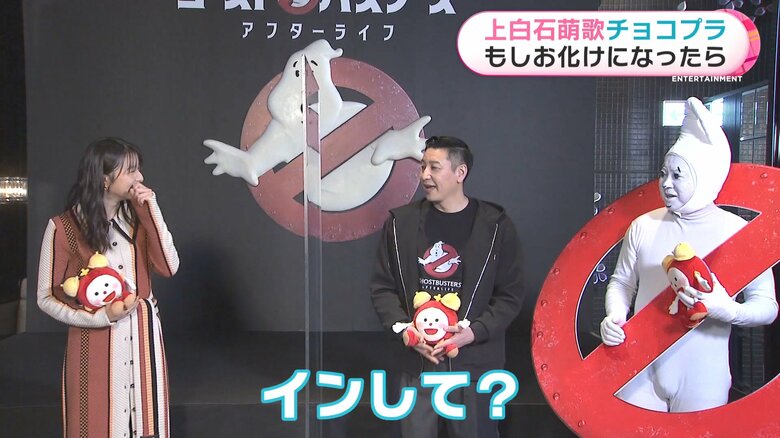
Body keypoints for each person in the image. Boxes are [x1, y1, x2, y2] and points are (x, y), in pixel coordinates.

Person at [600, 97, 778, 413]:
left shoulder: (738, 232)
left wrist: (730, 310)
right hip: (639, 366)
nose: (666, 184)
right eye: (663, 173)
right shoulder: (643, 225)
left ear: (703, 177)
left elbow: (767, 307)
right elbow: (622, 282)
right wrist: (615, 316)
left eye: (678, 175)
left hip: (704, 373)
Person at [370, 135, 525, 437]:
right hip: (418, 365)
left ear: (460, 172)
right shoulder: (400, 224)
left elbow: (510, 295)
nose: (424, 175)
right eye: (422, 167)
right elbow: (382, 287)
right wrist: (405, 331)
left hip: (474, 367)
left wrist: (474, 332)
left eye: (434, 167)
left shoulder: (495, 226)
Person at [37, 137, 180, 438]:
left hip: (143, 338)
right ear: (104, 179)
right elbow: (46, 296)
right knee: (96, 423)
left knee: (147, 423)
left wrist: (151, 209)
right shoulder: (63, 227)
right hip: (93, 343)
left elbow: (169, 267)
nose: (139, 177)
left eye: (138, 169)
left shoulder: (141, 219)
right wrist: (100, 317)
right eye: (130, 170)